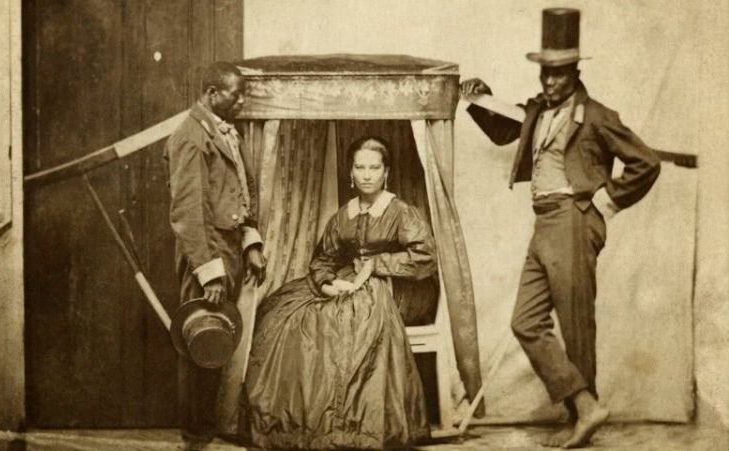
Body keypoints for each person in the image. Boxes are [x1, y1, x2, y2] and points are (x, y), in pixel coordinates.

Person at [460, 8, 661, 449]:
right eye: (545, 73)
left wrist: (606, 202)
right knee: (526, 321)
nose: (550, 82)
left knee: (576, 326)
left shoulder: (597, 115)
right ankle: (586, 407)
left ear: (575, 72)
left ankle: (580, 419)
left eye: (560, 73)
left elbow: (646, 162)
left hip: (573, 219)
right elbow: (502, 131)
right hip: (544, 222)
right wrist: (479, 98)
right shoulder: (536, 110)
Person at [243, 136, 434, 450]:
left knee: (348, 314)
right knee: (285, 311)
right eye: (360, 167)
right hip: (351, 279)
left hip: (400, 286)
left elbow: (425, 258)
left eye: (374, 167)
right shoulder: (343, 215)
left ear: (386, 172)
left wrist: (377, 264)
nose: (367, 175)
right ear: (351, 171)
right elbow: (323, 258)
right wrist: (327, 283)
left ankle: (350, 425)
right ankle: (305, 421)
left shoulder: (400, 212)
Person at [164, 61, 267, 448]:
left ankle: (206, 431)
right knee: (201, 343)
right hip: (205, 255)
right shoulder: (190, 138)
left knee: (216, 343)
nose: (242, 102)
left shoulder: (226, 133)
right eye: (235, 95)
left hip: (228, 251)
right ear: (211, 94)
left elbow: (242, 191)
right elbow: (188, 213)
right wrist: (210, 272)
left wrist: (250, 242)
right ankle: (195, 438)